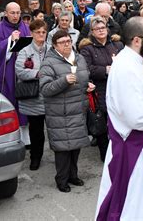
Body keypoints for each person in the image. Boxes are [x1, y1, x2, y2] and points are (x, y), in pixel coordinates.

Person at [95, 17, 143, 220]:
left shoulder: (132, 61)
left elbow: (132, 102)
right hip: (133, 149)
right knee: (132, 206)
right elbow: (136, 117)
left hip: (137, 146)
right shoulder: (127, 68)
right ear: (137, 40)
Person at [39, 30, 93, 193]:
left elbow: (84, 78)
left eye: (68, 41)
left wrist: (88, 86)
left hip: (77, 109)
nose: (67, 44)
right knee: (63, 149)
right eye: (62, 42)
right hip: (60, 113)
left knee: (76, 146)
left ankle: (73, 176)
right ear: (55, 45)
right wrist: (63, 81)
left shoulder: (79, 58)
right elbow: (45, 89)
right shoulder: (48, 63)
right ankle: (61, 180)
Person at [79, 16, 123, 162]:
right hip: (100, 89)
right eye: (97, 29)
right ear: (92, 31)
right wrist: (105, 69)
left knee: (118, 121)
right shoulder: (87, 48)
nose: (101, 30)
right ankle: (105, 154)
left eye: (103, 27)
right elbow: (85, 68)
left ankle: (118, 151)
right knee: (102, 123)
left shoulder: (117, 44)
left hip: (118, 87)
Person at [0, 2, 31, 143]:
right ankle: (11, 137)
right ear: (5, 13)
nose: (16, 16)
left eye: (18, 13)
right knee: (11, 103)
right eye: (12, 13)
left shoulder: (24, 27)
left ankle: (26, 138)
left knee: (25, 104)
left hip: (23, 72)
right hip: (8, 73)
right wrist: (9, 41)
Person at [15, 19, 49, 171]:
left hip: (50, 95)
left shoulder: (52, 49)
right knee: (36, 131)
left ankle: (61, 158)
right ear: (32, 33)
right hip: (34, 98)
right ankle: (36, 157)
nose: (41, 35)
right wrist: (38, 73)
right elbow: (20, 71)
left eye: (43, 32)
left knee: (55, 130)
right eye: (38, 32)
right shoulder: (25, 51)